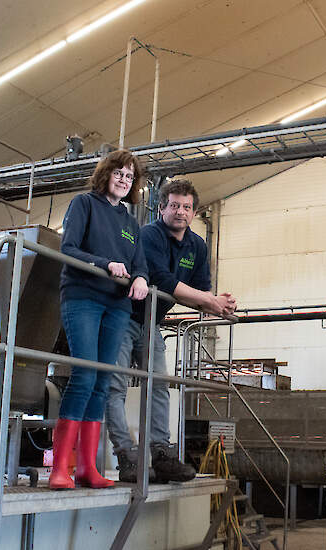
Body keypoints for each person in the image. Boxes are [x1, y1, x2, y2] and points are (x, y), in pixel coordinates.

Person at [106, 178, 237, 483]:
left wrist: (221, 304)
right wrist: (210, 301)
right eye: (174, 205)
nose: (180, 212)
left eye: (187, 207)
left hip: (150, 322)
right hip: (121, 316)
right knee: (115, 386)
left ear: (194, 212)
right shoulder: (149, 235)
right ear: (161, 208)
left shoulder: (197, 246)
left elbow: (200, 291)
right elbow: (162, 281)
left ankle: (161, 454)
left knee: (160, 386)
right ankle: (126, 456)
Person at [52, 149, 150, 490]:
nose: (124, 180)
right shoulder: (84, 204)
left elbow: (139, 263)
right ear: (106, 174)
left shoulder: (130, 223)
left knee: (103, 380)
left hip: (117, 304)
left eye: (129, 176)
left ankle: (88, 469)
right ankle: (60, 468)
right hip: (84, 297)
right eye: (119, 173)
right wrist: (105, 263)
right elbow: (69, 248)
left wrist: (140, 278)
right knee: (84, 375)